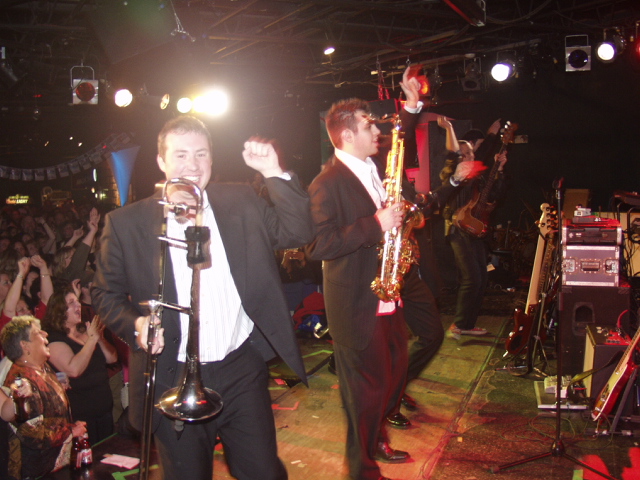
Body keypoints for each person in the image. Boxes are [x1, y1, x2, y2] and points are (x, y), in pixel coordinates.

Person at [91, 115, 313, 480]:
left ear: (212, 157)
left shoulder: (241, 200)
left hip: (240, 368)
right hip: (173, 376)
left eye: (201, 154)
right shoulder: (126, 222)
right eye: (180, 155)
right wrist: (136, 324)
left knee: (264, 473)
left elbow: (299, 231)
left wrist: (273, 172)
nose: (192, 165)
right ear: (161, 161)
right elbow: (104, 292)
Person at [305, 67, 422, 479]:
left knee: (394, 373)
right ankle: (362, 469)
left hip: (386, 292)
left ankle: (375, 440)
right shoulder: (325, 183)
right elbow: (318, 245)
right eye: (369, 126)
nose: (377, 132)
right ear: (346, 135)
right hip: (356, 303)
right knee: (366, 391)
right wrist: (376, 224)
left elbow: (400, 143)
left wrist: (411, 107)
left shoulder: (372, 167)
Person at [441, 123, 508, 340]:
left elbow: (495, 195)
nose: (470, 156)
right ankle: (458, 325)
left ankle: (468, 324)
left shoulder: (478, 176)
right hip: (458, 231)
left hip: (475, 230)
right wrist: (450, 129)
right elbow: (450, 167)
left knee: (481, 278)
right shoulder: (453, 175)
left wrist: (499, 170)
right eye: (466, 154)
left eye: (471, 153)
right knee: (471, 278)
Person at [0, 316, 87, 480]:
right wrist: (70, 431)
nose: (45, 334)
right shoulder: (21, 379)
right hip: (38, 470)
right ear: (25, 345)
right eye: (37, 333)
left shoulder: (42, 367)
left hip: (55, 464)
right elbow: (30, 433)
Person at [42, 284, 117, 444]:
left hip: (104, 411)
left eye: (78, 301)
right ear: (59, 310)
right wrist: (92, 340)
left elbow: (112, 359)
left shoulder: (86, 331)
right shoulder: (54, 339)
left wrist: (100, 338)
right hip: (81, 417)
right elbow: (73, 370)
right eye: (72, 303)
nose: (79, 305)